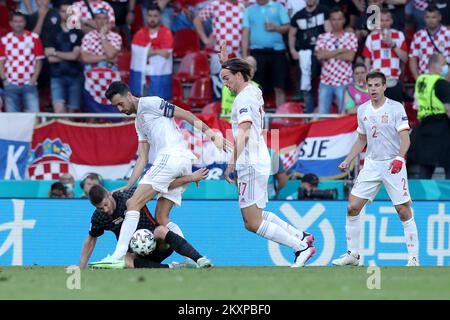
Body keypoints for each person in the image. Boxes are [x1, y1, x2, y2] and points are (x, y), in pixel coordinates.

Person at [91, 80, 231, 267]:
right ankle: (193, 259)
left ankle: (118, 256)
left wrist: (213, 135)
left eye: (120, 103)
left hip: (171, 157)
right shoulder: (138, 122)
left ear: (129, 95)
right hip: (180, 162)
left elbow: (186, 114)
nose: (119, 109)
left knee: (133, 203)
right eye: (116, 106)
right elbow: (142, 158)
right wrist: (129, 185)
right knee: (162, 218)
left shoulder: (151, 103)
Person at [221, 57, 315, 268]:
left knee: (252, 222)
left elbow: (244, 132)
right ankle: (301, 235)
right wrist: (225, 63)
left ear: (238, 75)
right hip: (258, 159)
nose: (225, 84)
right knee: (257, 215)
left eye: (227, 78)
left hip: (250, 163)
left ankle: (300, 247)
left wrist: (231, 162)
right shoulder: (255, 90)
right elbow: (241, 73)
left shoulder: (243, 99)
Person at [332, 71, 419, 267]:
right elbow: (362, 139)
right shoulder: (362, 110)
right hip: (371, 164)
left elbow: (405, 138)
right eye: (370, 85)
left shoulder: (396, 108)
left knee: (403, 210)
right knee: (352, 207)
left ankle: (413, 258)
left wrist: (399, 157)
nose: (373, 89)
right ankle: (353, 255)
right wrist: (348, 159)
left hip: (392, 164)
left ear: (384, 86)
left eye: (377, 85)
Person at [83, 173, 212, 269]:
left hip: (159, 245)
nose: (105, 209)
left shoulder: (129, 196)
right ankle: (172, 268)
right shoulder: (99, 217)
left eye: (106, 204)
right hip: (137, 254)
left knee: (161, 229)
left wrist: (190, 178)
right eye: (100, 208)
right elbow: (91, 239)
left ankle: (198, 259)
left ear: (109, 194)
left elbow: (161, 186)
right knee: (126, 260)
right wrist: (81, 266)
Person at [407, 53, 450, 179]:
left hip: (425, 128)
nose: (446, 67)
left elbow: (416, 106)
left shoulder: (420, 82)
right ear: (434, 66)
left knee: (425, 169)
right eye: (443, 64)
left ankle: (422, 198)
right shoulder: (442, 84)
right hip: (443, 128)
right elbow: (448, 109)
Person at [43, 0, 84, 113]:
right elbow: (49, 58)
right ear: (58, 12)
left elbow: (75, 56)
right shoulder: (51, 31)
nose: (66, 14)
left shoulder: (78, 32)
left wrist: (55, 53)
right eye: (63, 11)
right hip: (57, 76)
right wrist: (68, 55)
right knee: (59, 110)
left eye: (69, 11)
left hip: (75, 76)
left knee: (72, 113)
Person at [315, 7, 357, 114]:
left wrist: (328, 53)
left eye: (339, 19)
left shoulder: (351, 36)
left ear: (344, 20)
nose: (336, 22)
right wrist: (341, 50)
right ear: (330, 21)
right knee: (322, 114)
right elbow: (320, 55)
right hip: (326, 81)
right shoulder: (322, 37)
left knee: (344, 114)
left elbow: (350, 57)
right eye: (334, 19)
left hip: (345, 81)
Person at [0, 11, 44, 112]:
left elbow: (39, 61)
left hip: (29, 83)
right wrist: (4, 79)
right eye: (16, 21)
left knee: (34, 116)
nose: (18, 24)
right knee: (12, 117)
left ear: (25, 22)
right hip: (11, 83)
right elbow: (1, 61)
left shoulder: (34, 38)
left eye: (21, 21)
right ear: (11, 23)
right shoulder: (4, 40)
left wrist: (34, 79)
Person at [363, 8, 408, 103]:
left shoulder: (399, 35)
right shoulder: (371, 37)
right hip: (376, 81)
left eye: (386, 20)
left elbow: (405, 58)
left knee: (395, 113)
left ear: (391, 21)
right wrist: (367, 82)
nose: (384, 23)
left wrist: (393, 44)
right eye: (381, 20)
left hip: (393, 81)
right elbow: (367, 62)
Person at [409, 4, 450, 81]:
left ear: (439, 17)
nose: (430, 20)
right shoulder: (418, 35)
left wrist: (448, 79)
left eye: (433, 17)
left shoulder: (448, 33)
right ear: (424, 18)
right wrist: (417, 78)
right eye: (428, 17)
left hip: (445, 78)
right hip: (425, 78)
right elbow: (412, 58)